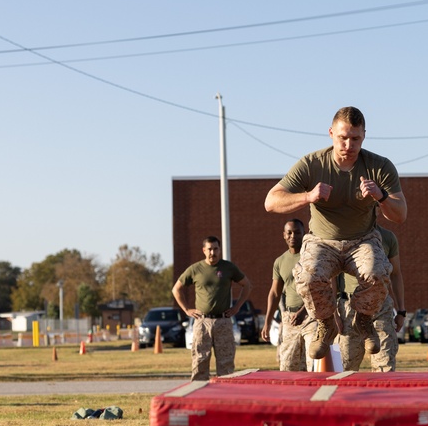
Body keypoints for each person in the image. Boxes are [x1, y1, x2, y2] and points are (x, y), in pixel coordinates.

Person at [264, 106, 407, 361]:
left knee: (378, 271)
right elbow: (271, 201)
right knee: (306, 277)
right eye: (343, 137)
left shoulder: (379, 166)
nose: (349, 145)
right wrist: (309, 196)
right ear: (331, 133)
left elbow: (400, 214)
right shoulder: (312, 164)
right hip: (323, 241)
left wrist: (381, 196)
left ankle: (363, 319)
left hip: (362, 239)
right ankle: (325, 322)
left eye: (355, 138)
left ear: (364, 136)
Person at [172, 236, 252, 381]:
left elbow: (247, 285)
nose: (212, 252)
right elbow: (176, 289)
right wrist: (186, 309)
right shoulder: (195, 269)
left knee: (226, 364)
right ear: (204, 250)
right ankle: (198, 398)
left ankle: (224, 399)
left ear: (219, 250)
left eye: (215, 249)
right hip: (202, 322)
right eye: (209, 249)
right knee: (200, 362)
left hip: (223, 321)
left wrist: (237, 307)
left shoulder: (228, 268)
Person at [337, 224, 405, 372]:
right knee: (345, 367)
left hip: (380, 307)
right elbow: (332, 275)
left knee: (384, 366)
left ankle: (381, 395)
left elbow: (396, 274)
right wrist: (333, 313)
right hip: (350, 309)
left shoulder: (387, 237)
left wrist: (401, 311)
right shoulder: (344, 234)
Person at [262, 219, 308, 371]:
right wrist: (267, 322)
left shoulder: (313, 257)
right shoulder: (280, 261)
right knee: (288, 367)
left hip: (312, 317)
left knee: (313, 364)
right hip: (290, 319)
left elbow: (323, 289)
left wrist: (304, 311)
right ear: (284, 235)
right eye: (289, 232)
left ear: (304, 234)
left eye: (297, 232)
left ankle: (317, 394)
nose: (293, 236)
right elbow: (275, 293)